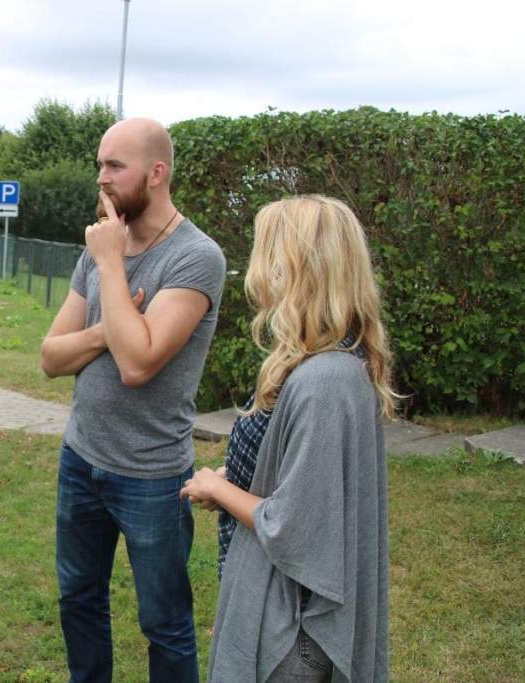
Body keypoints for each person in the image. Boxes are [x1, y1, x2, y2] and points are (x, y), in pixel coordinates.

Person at [40, 118, 226, 682]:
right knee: (79, 601)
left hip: (152, 476)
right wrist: (106, 330)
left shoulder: (196, 258)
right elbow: (51, 357)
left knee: (164, 623)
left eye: (114, 166)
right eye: (100, 164)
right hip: (81, 460)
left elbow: (139, 364)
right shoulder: (101, 247)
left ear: (157, 172)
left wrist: (110, 265)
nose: (102, 178)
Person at [181, 195, 393, 682]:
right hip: (290, 620)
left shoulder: (323, 383)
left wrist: (217, 489)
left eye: (266, 254)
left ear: (293, 269)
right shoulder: (333, 363)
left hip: (293, 634)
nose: (255, 271)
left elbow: (294, 526)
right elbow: (304, 486)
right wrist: (233, 482)